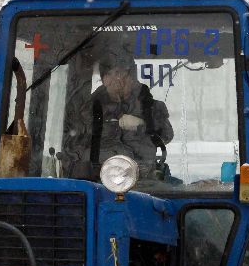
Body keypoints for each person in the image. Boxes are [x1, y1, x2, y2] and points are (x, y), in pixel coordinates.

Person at [63, 49, 174, 181]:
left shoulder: (152, 107)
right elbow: (70, 146)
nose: (118, 80)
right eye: (111, 74)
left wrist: (142, 124)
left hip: (144, 181)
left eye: (122, 74)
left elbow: (167, 136)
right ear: (104, 79)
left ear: (132, 78)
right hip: (95, 181)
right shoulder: (85, 110)